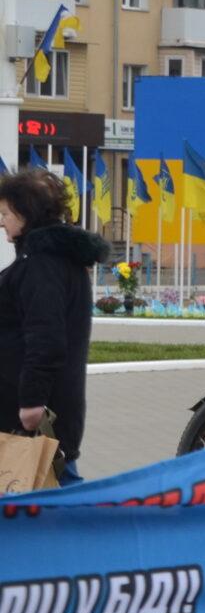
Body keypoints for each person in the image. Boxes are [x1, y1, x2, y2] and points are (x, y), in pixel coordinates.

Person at [0, 169, 109, 478]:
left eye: (5, 213)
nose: (1, 221)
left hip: (32, 419)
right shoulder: (47, 259)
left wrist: (32, 403)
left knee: (55, 501)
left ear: (25, 213)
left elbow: (45, 339)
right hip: (37, 415)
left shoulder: (41, 266)